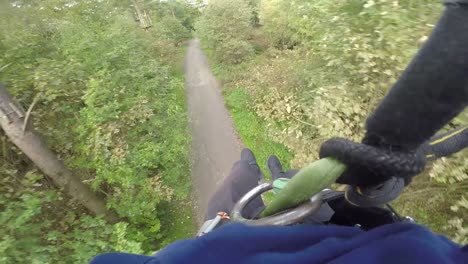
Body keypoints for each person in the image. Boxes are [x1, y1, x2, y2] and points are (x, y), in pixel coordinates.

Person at [91, 149, 467, 264]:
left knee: (226, 203)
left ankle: (247, 171)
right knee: (231, 203)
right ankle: (249, 172)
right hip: (345, 230)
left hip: (225, 243)